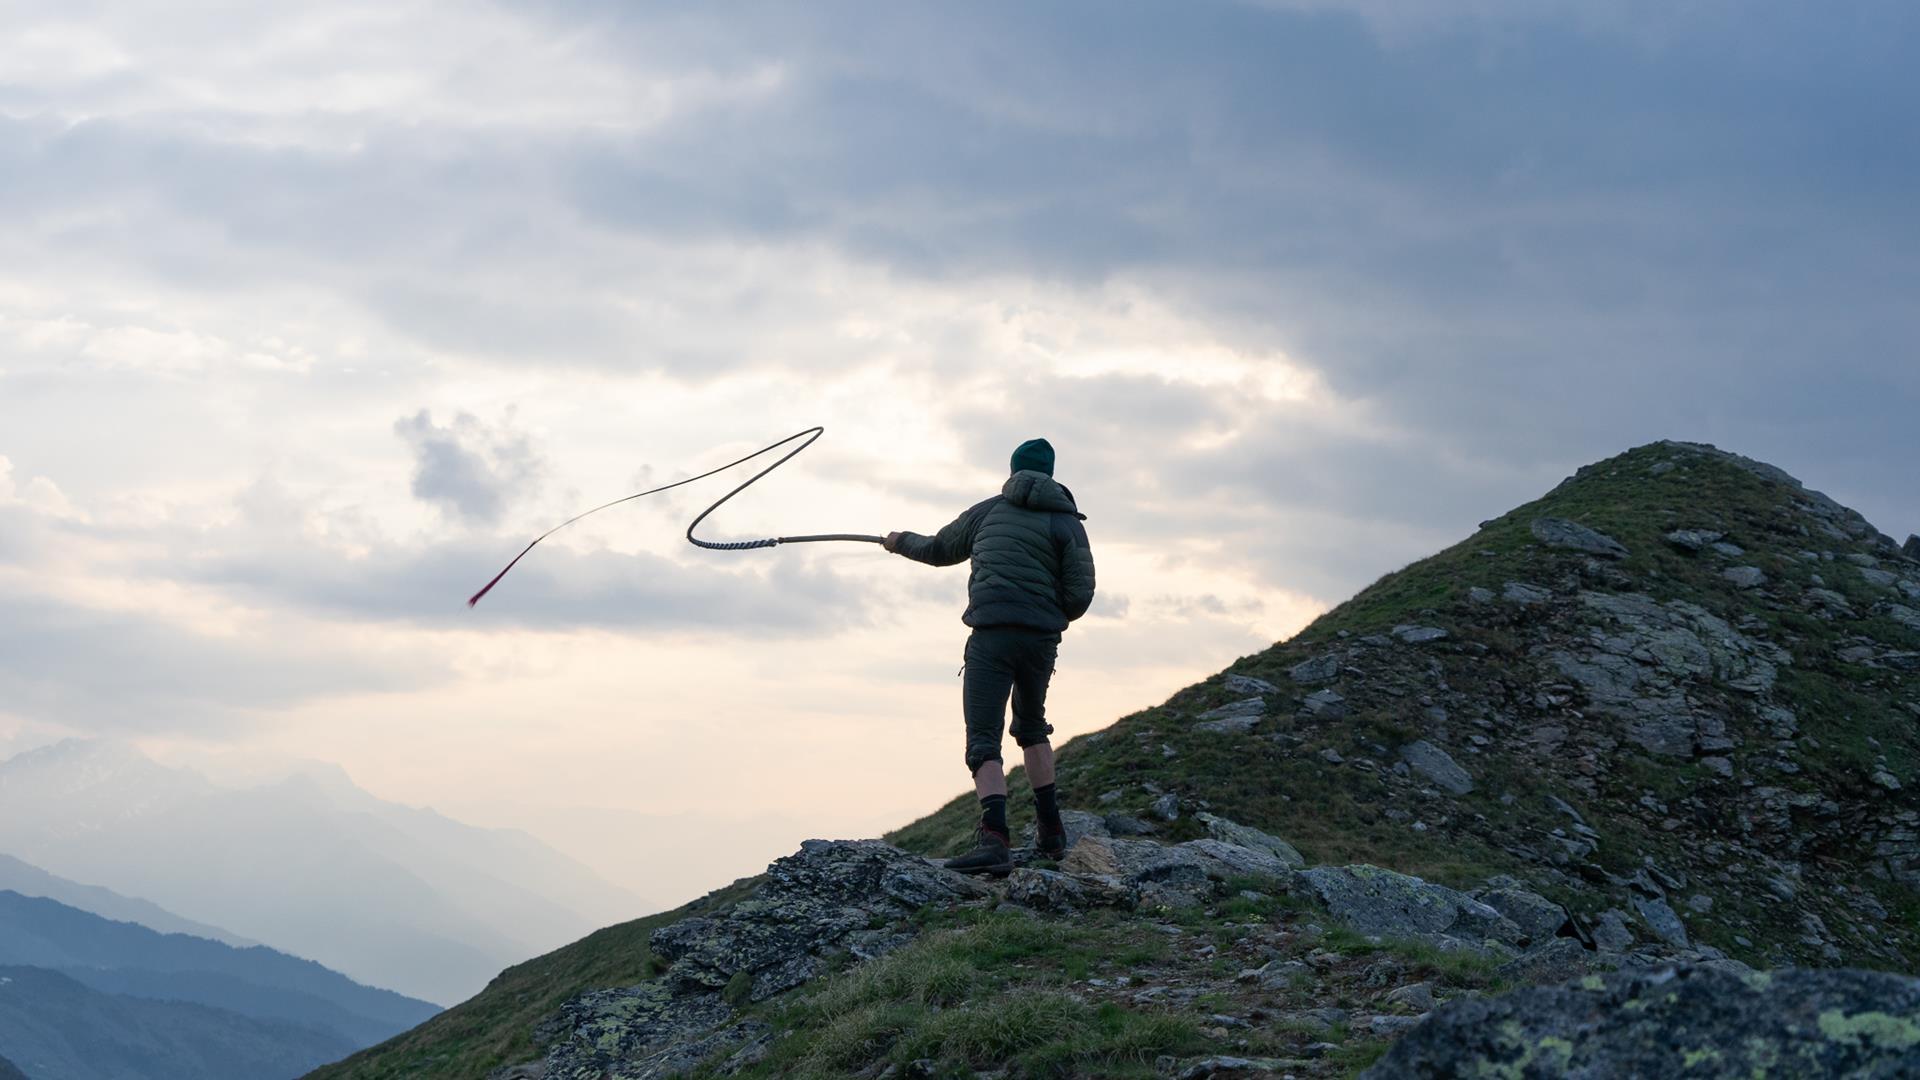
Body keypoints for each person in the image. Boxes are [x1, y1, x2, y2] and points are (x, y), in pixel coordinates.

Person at [884, 437, 1096, 876]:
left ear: (1014, 469)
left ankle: (995, 837)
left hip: (990, 634)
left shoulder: (987, 511)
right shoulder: (1067, 522)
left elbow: (939, 550)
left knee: (983, 737)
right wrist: (1049, 615)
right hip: (1041, 639)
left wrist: (899, 540)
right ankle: (1051, 829)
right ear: (1051, 474)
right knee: (1032, 726)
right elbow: (1080, 593)